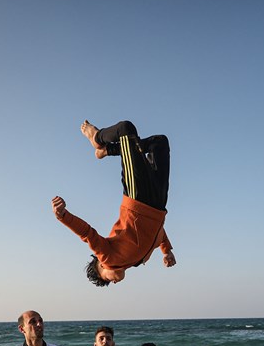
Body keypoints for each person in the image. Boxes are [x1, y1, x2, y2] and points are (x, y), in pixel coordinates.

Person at [52, 120, 175, 287]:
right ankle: (109, 150)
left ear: (101, 266)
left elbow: (87, 234)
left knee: (125, 129)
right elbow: (156, 229)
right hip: (159, 203)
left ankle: (97, 137)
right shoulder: (137, 260)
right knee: (159, 143)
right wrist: (166, 251)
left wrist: (63, 216)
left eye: (108, 279)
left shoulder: (107, 257)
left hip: (136, 197)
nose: (115, 282)